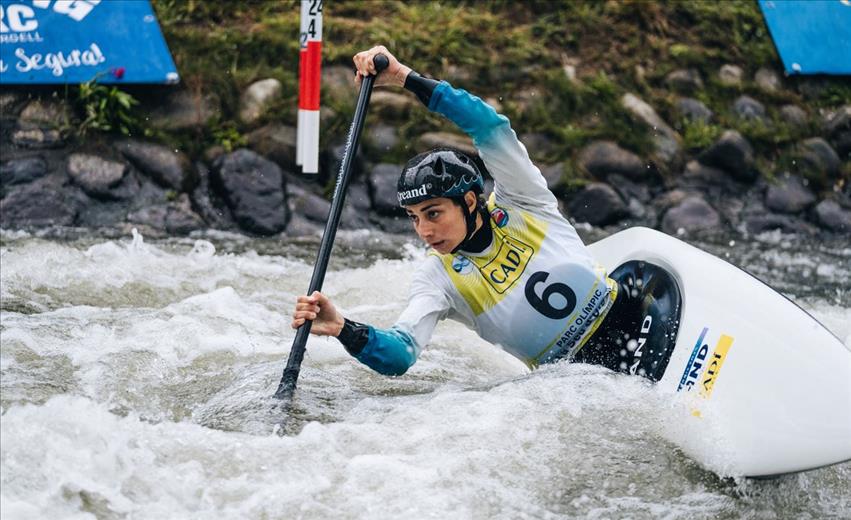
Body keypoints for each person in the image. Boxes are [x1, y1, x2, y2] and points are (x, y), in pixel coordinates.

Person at [292, 46, 681, 381]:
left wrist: (403, 77)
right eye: (413, 217)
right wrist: (344, 328)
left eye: (433, 213)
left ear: (470, 201)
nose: (424, 231)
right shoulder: (438, 277)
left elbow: (487, 125)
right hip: (577, 377)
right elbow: (400, 354)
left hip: (635, 317)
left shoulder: (523, 200)